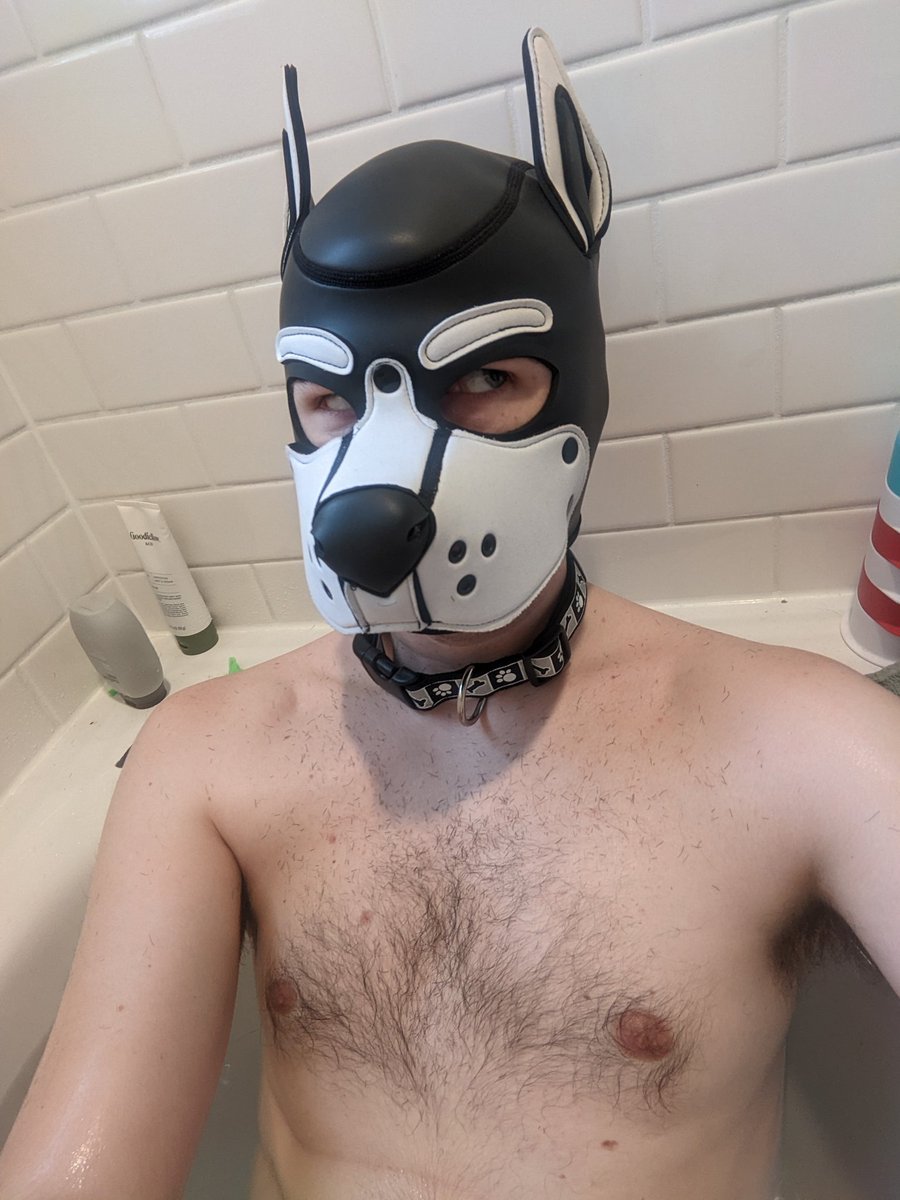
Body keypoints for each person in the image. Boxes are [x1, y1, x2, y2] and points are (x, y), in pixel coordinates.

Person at [1, 27, 899, 1200]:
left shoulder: (801, 744)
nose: (382, 472)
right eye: (328, 396)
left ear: (577, 385)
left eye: (482, 378)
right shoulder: (207, 761)